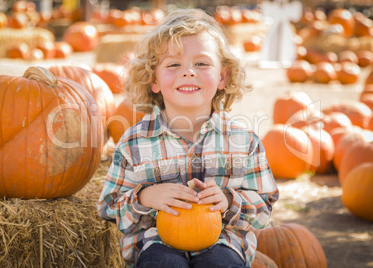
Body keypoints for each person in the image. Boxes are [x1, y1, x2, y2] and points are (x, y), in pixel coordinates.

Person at [98, 8, 279, 268]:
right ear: (154, 80)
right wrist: (145, 197)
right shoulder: (134, 142)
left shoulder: (244, 142)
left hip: (223, 243)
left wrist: (229, 200)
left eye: (202, 63)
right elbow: (108, 206)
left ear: (222, 76)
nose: (188, 72)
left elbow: (265, 207)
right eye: (173, 64)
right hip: (155, 244)